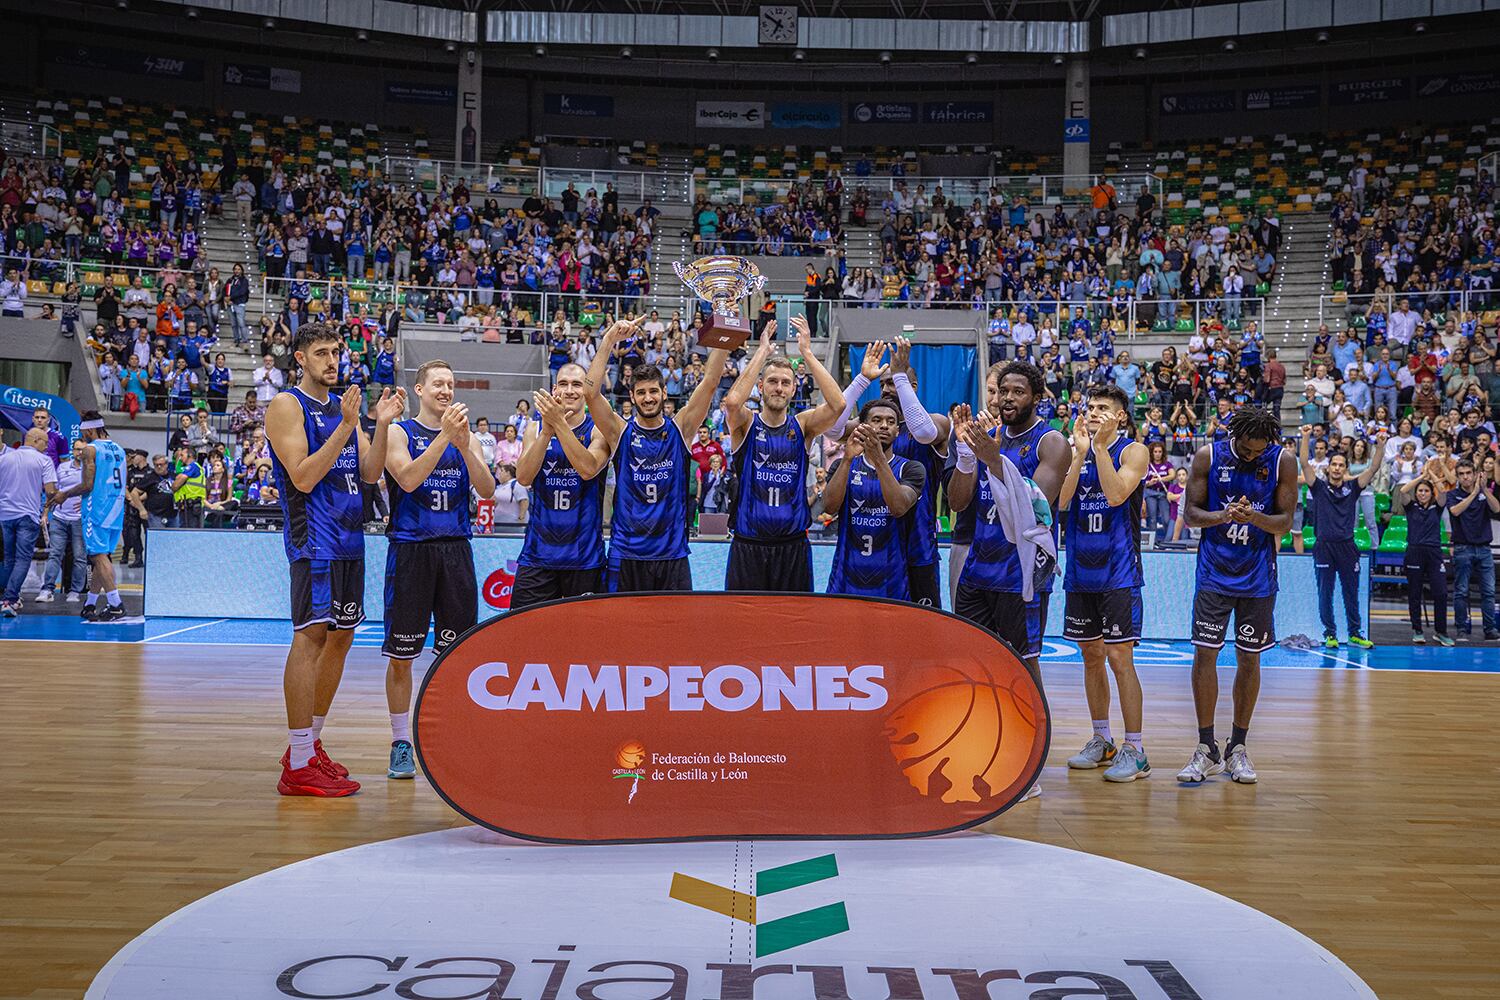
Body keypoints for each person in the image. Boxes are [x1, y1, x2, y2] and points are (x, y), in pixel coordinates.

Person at [266, 323, 405, 797]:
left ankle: (309, 746)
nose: (332, 360)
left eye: (336, 352)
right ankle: (298, 761)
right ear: (300, 359)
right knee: (310, 639)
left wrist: (379, 424)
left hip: (350, 541)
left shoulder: (340, 408)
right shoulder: (289, 405)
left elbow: (369, 473)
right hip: (315, 542)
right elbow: (302, 477)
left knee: (341, 639)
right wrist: (347, 426)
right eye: (322, 353)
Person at [381, 360, 495, 779]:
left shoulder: (467, 437)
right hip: (411, 550)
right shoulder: (399, 432)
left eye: (451, 384)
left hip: (455, 551)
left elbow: (486, 490)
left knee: (458, 653)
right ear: (419, 390)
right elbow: (407, 480)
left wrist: (463, 444)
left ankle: (454, 738)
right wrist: (445, 437)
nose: (446, 390)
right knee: (401, 657)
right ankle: (400, 742)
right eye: (438, 384)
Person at [1178, 406, 1298, 785]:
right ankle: (1205, 747)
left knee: (1249, 660)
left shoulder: (1283, 461)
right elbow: (1192, 514)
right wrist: (1224, 515)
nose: (1252, 456)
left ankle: (1238, 748)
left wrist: (1254, 519)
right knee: (1205, 655)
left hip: (1258, 578)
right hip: (1214, 574)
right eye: (1246, 450)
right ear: (1235, 437)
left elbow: (1285, 522)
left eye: (1258, 451)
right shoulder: (1207, 456)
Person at [582, 317, 730, 592]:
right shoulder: (619, 432)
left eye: (653, 391)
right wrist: (608, 341)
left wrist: (723, 325)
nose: (648, 398)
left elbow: (710, 381)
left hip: (672, 555)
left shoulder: (681, 428)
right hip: (626, 554)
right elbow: (590, 395)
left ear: (664, 393)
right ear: (632, 397)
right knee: (625, 631)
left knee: (676, 632)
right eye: (641, 393)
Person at [949, 361, 1069, 675]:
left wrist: (992, 459)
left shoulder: (1051, 442)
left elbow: (1035, 511)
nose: (1007, 398)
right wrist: (965, 455)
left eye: (1018, 392)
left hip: (1022, 573)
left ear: (1037, 397)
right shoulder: (986, 437)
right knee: (972, 662)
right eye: (1003, 391)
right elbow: (958, 502)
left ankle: (1037, 726)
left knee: (1022, 665)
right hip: (978, 570)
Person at [1058, 384, 1152, 783]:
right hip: (1082, 570)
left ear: (1120, 417)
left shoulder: (1133, 451)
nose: (1093, 413)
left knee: (1119, 659)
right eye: (1090, 407)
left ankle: (1136, 748)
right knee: (1091, 657)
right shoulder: (1076, 450)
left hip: (1119, 572)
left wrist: (1096, 450)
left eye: (1102, 409)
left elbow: (1115, 495)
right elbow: (1060, 504)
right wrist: (1079, 455)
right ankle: (1102, 739)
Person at [723, 316, 845, 591]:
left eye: (785, 383)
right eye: (773, 381)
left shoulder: (802, 426)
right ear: (761, 386)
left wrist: (807, 353)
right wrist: (763, 352)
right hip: (748, 545)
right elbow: (731, 402)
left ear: (793, 389)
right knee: (744, 624)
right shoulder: (746, 423)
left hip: (792, 547)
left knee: (793, 627)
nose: (779, 387)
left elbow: (838, 405)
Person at [828, 338, 952, 607]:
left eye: (893, 383)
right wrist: (862, 379)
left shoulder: (936, 422)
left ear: (911, 387)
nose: (886, 389)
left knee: (920, 630)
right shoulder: (871, 427)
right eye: (883, 383)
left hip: (917, 542)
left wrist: (901, 375)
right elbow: (833, 429)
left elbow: (923, 432)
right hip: (876, 543)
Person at [512, 363, 612, 608]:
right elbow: (523, 477)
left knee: (585, 640)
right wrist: (548, 431)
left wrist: (560, 426)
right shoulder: (535, 429)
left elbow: (588, 469)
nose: (570, 390)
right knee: (525, 636)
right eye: (564, 384)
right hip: (538, 555)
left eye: (577, 384)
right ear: (554, 389)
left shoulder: (598, 430)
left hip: (584, 557)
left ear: (586, 392)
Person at [820, 398, 923, 599]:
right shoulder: (843, 465)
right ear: (862, 427)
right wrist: (848, 459)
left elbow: (899, 507)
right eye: (877, 420)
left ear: (897, 431)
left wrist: (878, 459)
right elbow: (829, 507)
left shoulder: (911, 468)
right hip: (845, 580)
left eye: (891, 422)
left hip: (892, 584)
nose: (884, 425)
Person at [1298, 429, 1383, 649]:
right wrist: (1306, 437)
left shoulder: (1353, 488)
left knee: (1351, 593)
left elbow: (1373, 468)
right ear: (1328, 468)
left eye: (1341, 465)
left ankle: (1355, 633)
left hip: (1347, 547)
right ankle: (1330, 634)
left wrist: (1381, 446)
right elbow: (1305, 465)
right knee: (1325, 593)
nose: (1337, 468)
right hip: (1324, 547)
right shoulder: (1318, 487)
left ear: (1346, 469)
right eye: (1334, 464)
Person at [44, 413, 128, 621]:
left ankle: (115, 604)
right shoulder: (119, 449)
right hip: (116, 508)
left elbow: (88, 485)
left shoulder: (91, 449)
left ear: (89, 431)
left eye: (84, 433)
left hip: (96, 508)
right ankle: (90, 603)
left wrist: (65, 494)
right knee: (102, 557)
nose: (84, 438)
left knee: (98, 556)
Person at [0, 429, 59, 616]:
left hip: (5, 515)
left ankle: (9, 597)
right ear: (35, 440)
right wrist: (51, 502)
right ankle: (9, 600)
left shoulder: (5, 458)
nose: (46, 446)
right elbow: (50, 490)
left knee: (9, 558)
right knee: (23, 558)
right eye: (45, 442)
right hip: (28, 515)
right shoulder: (43, 460)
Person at [1446, 458, 1500, 641]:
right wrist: (1474, 493)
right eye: (1461, 474)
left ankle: (1490, 629)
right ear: (1458, 476)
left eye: (1469, 473)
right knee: (1461, 591)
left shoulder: (1484, 493)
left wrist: (1483, 490)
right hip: (1463, 547)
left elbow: (1497, 507)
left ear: (1476, 474)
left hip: (1484, 548)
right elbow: (1455, 511)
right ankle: (1462, 628)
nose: (1465, 477)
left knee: (1489, 591)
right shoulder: (1453, 494)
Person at [1397, 476, 1453, 646]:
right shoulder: (1410, 506)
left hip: (1434, 553)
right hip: (1414, 552)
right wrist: (1422, 477)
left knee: (1441, 593)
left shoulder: (1437, 507)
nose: (1422, 493)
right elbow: (1402, 491)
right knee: (1414, 592)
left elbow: (1443, 491)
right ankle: (1417, 630)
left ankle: (1441, 632)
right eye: (1420, 491)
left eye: (1426, 491)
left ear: (1431, 493)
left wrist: (1432, 476)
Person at [36, 440, 88, 603]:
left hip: (80, 519)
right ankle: (47, 589)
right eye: (77, 449)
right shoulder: (62, 467)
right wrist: (45, 513)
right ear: (72, 450)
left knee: (80, 556)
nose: (79, 452)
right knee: (55, 554)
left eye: (82, 450)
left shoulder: (92, 470)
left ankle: (75, 591)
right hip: (59, 517)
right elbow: (53, 491)